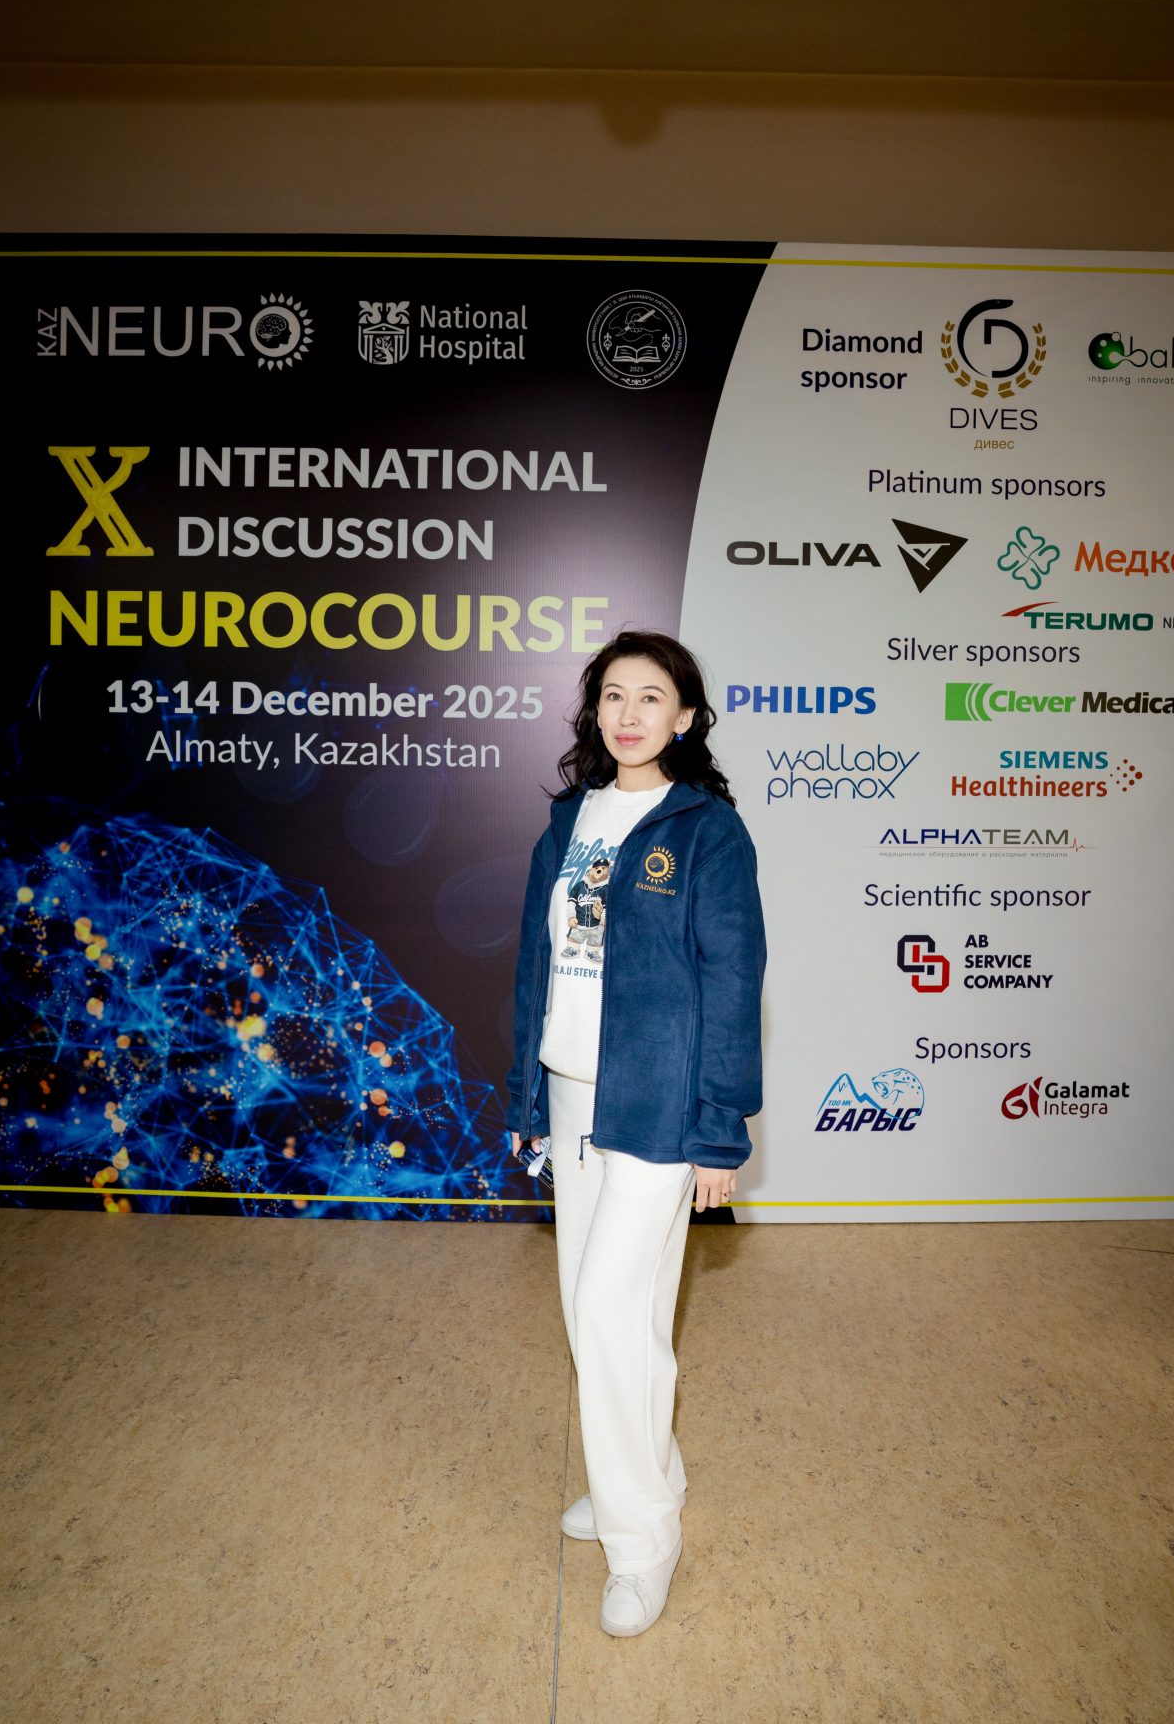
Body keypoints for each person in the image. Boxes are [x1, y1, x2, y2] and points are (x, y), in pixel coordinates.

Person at [505, 629, 767, 1638]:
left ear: (685, 717)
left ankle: (642, 1540)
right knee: (609, 1311)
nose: (628, 713)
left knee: (609, 1309)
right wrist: (528, 1100)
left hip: (661, 1103)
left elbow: (732, 983)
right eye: (613, 694)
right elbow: (537, 965)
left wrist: (718, 1132)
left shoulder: (708, 831)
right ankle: (646, 1471)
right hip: (572, 1093)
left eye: (651, 696)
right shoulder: (570, 817)